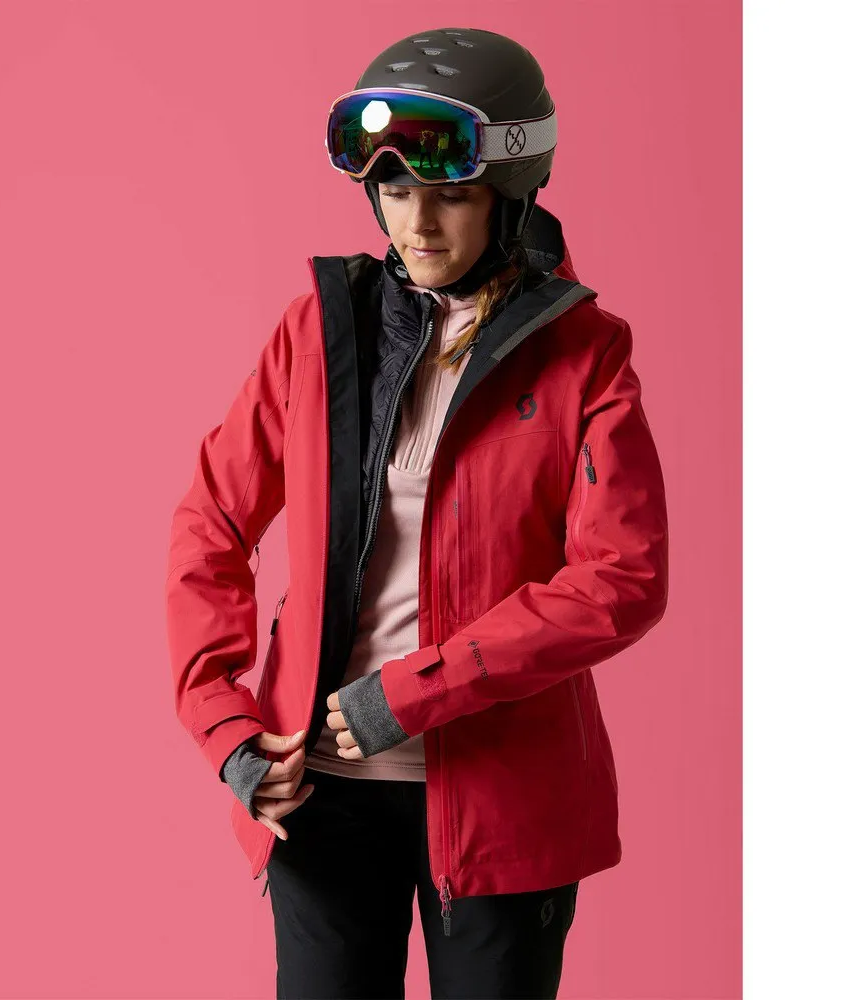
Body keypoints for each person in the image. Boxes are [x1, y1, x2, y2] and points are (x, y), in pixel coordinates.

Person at [166, 26, 669, 1000]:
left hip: (503, 806)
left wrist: (414, 690)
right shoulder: (319, 332)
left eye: (451, 195)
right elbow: (209, 523)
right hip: (316, 798)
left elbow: (622, 578)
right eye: (394, 192)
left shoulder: (585, 354)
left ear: (511, 194)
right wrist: (224, 722)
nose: (417, 224)